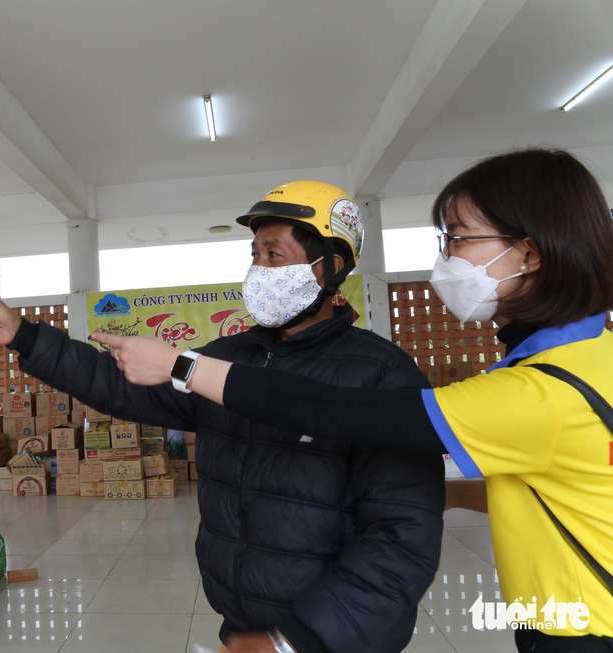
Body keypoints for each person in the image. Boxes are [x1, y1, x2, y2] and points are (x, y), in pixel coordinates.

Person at [94, 148, 613, 652]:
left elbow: (339, 412)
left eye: (456, 239)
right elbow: (568, 485)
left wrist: (183, 365)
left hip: (586, 632)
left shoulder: (540, 391)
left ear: (529, 253)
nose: (446, 259)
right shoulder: (587, 359)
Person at [0, 180, 445, 653]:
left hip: (326, 638)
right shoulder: (227, 359)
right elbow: (125, 386)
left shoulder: (382, 375)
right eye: (254, 255)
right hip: (241, 629)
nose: (259, 268)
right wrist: (24, 337)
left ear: (331, 267)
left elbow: (400, 540)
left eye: (274, 256)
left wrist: (296, 642)